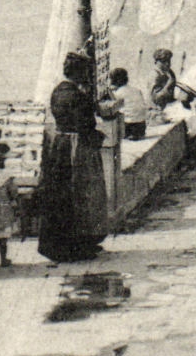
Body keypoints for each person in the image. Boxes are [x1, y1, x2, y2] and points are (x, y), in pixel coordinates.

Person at [37, 52, 109, 264]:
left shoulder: (57, 91)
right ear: (80, 72)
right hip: (77, 148)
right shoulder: (76, 95)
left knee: (61, 196)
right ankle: (77, 245)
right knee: (80, 196)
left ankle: (66, 244)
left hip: (60, 145)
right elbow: (86, 124)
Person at [103, 68, 149, 141]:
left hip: (128, 126)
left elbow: (113, 106)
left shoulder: (118, 93)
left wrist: (109, 90)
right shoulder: (135, 90)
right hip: (142, 125)